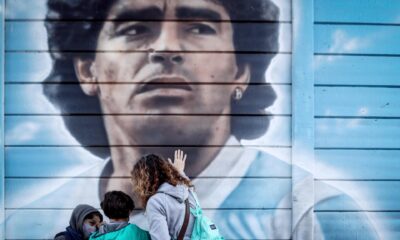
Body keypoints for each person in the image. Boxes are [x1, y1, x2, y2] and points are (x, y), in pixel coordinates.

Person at [22, 0, 378, 238]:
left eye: (200, 27)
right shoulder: (23, 221)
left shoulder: (310, 213)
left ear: (241, 70)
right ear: (87, 70)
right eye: (134, 28)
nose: (166, 48)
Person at [131, 151, 197, 240]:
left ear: (142, 181)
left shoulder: (155, 202)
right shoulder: (188, 190)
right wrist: (179, 173)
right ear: (165, 170)